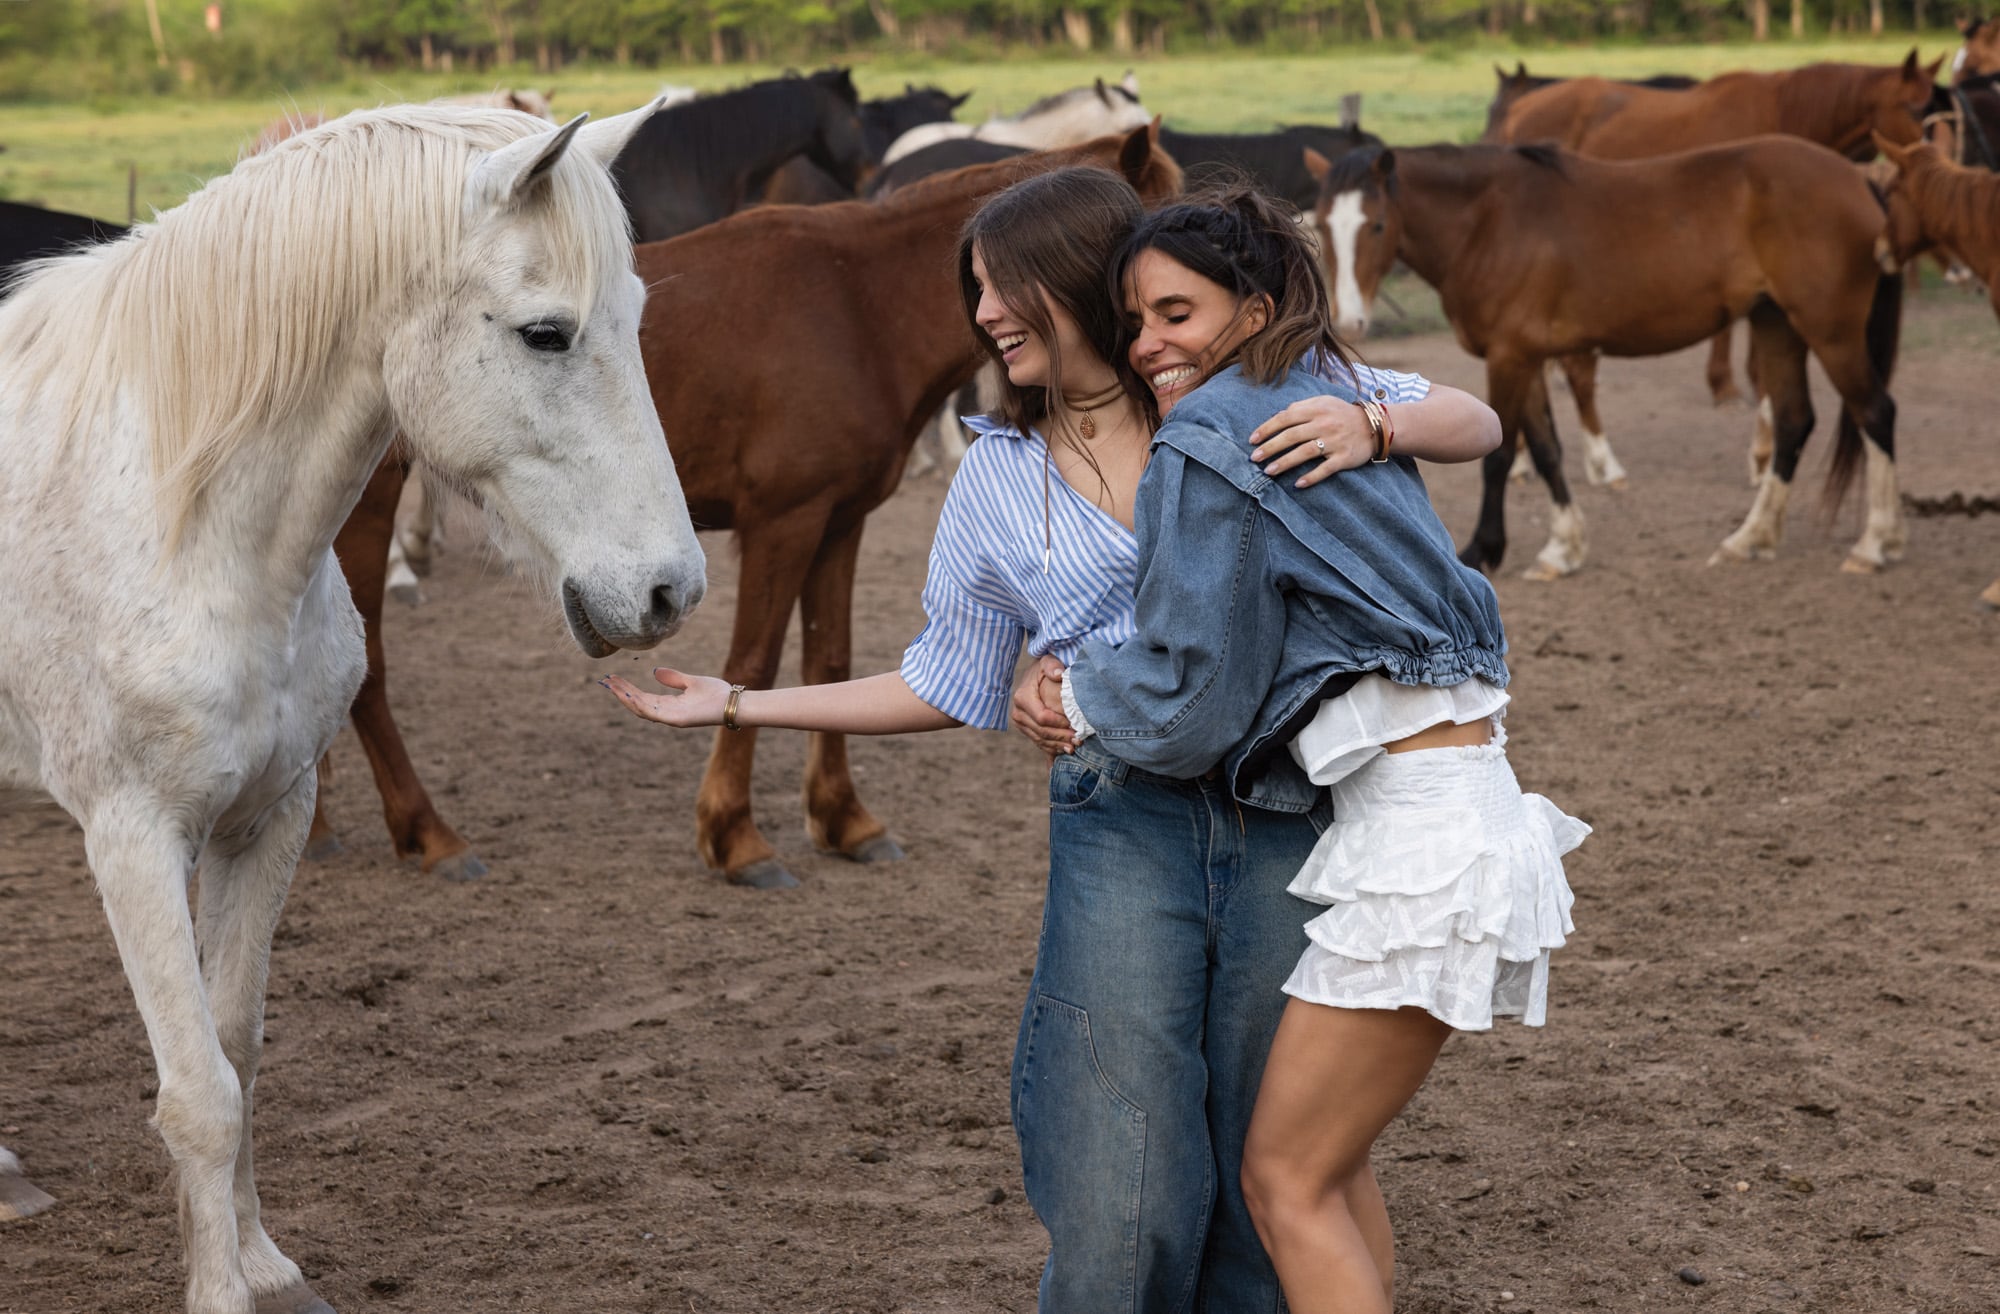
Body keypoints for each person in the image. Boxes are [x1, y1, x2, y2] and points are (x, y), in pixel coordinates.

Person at [602, 165, 1502, 1311]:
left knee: (1257, 1166)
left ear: (1074, 281)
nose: (979, 316)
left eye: (1000, 286)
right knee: (1118, 1177)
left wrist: (1373, 422)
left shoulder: (1245, 386)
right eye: (970, 291)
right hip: (1123, 819)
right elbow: (947, 678)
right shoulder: (996, 474)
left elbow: (1462, 418)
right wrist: (737, 705)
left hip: (1289, 809)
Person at [1009, 186, 1585, 1314]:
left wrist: (1070, 690)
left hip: (1417, 844)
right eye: (1133, 322)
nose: (1147, 345)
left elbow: (1190, 691)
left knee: (1280, 1183)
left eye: (1176, 312)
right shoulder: (1327, 394)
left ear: (1253, 303)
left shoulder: (1207, 436)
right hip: (1455, 815)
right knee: (1325, 1167)